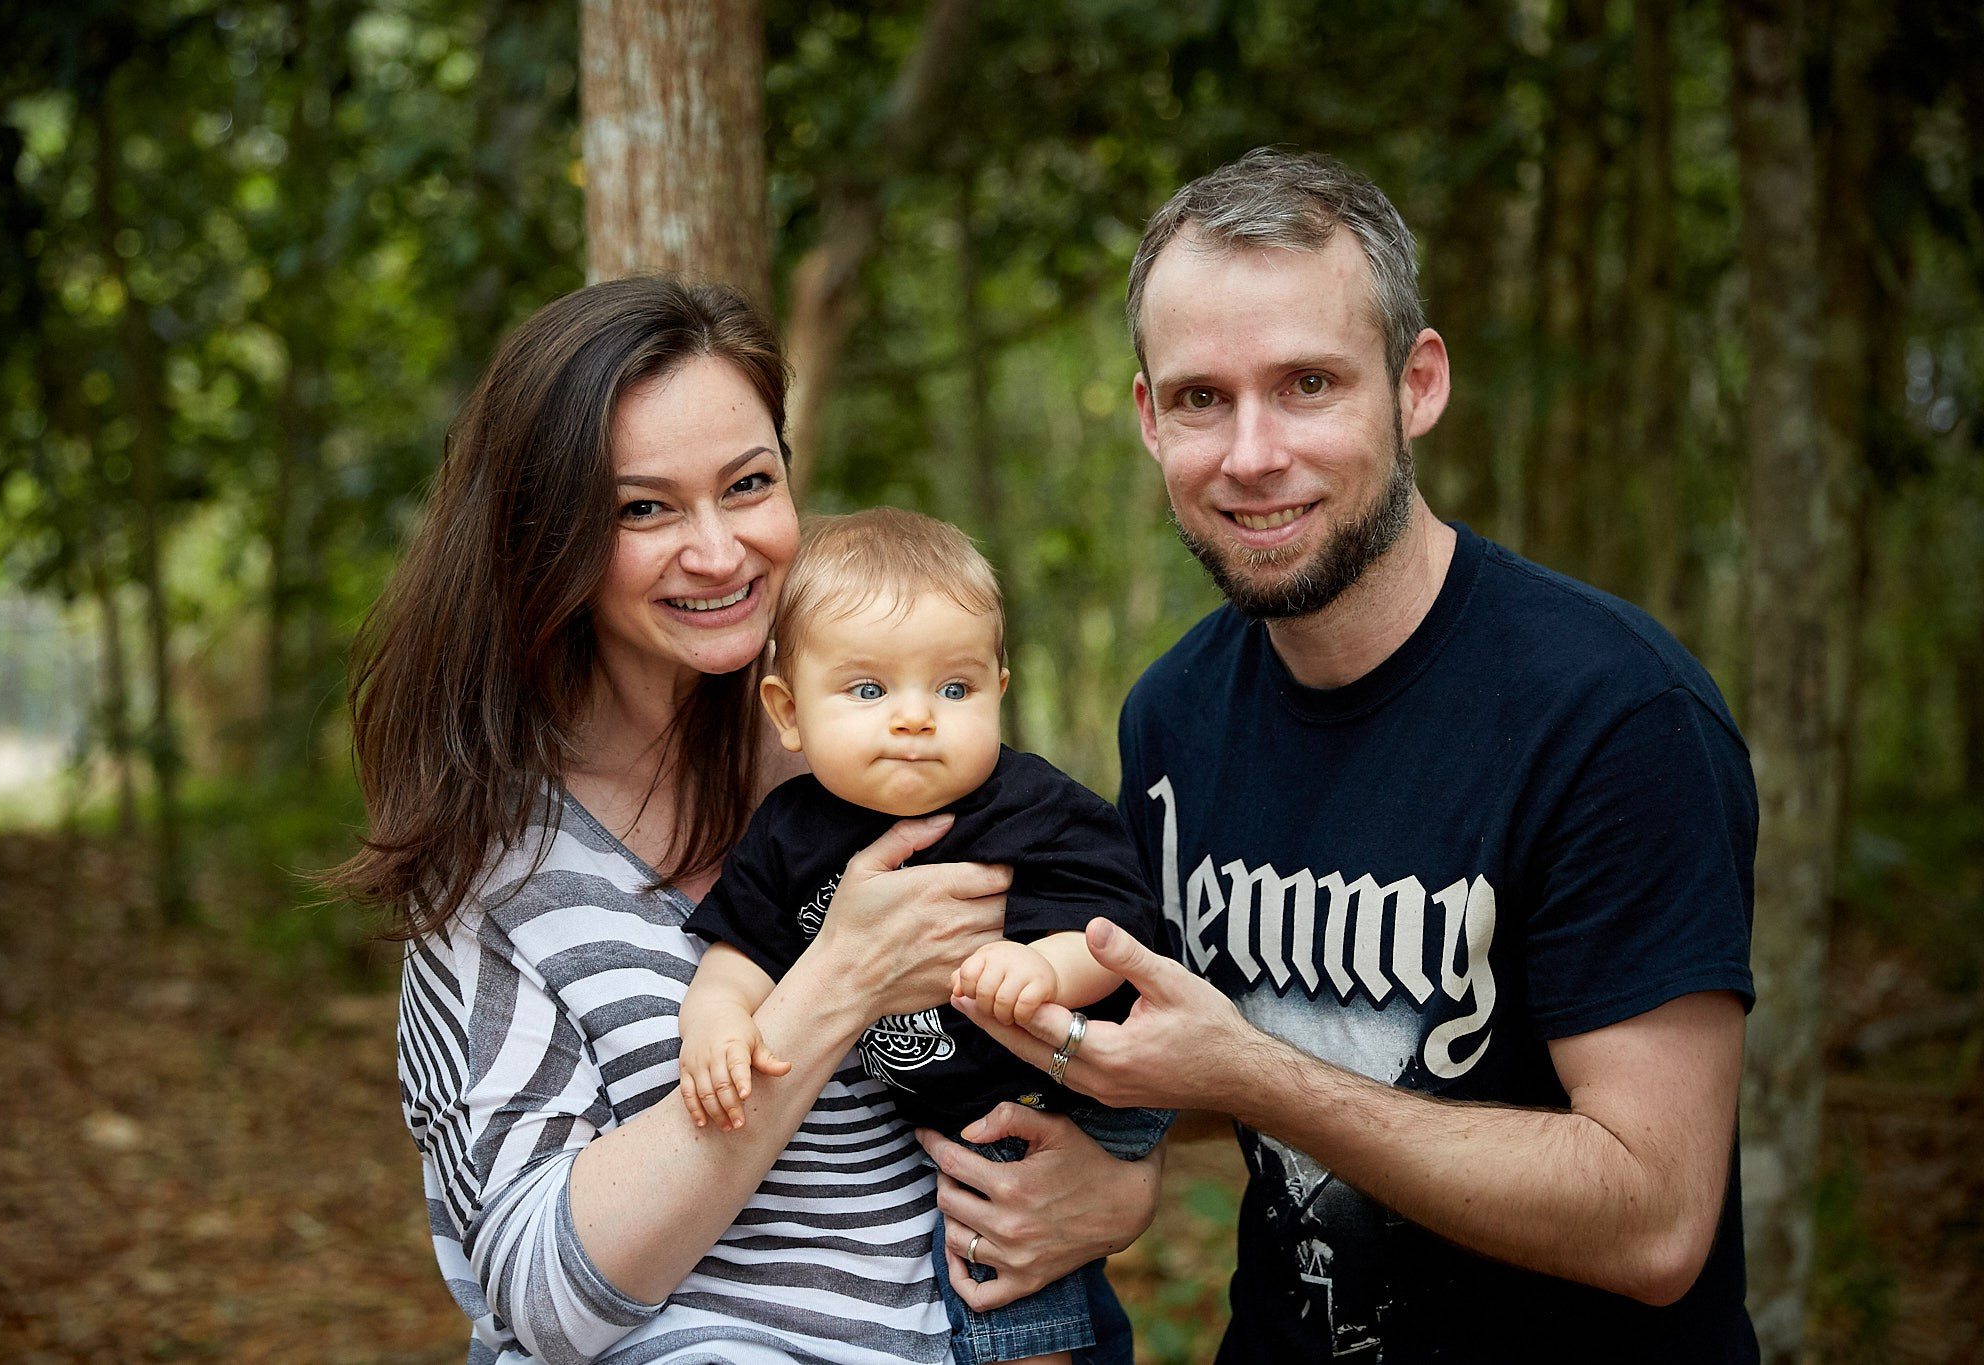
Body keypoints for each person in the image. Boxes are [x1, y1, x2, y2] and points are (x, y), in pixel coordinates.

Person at [945, 149, 1760, 1361]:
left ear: (1414, 384)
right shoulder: (1171, 712)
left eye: (1307, 383)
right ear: (1145, 419)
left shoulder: (1611, 717)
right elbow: (1197, 1053)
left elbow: (1652, 1218)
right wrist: (1127, 1167)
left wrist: (1253, 1079)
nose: (1252, 453)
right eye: (1200, 399)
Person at [327, 277, 1157, 1364]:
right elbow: (538, 1296)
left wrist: (1116, 1187)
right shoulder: (497, 879)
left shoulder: (891, 762)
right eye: (643, 508)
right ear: (548, 536)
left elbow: (1101, 1004)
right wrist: (834, 983)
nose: (717, 552)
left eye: (747, 484)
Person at [678, 507, 1171, 1365]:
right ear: (788, 712)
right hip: (961, 1117)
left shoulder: (1031, 804)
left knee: (999, 1277)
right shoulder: (790, 831)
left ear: (998, 692)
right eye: (869, 690)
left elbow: (1120, 927)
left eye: (953, 688)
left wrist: (1041, 968)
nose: (915, 718)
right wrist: (716, 1020)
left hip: (1060, 1097)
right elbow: (742, 949)